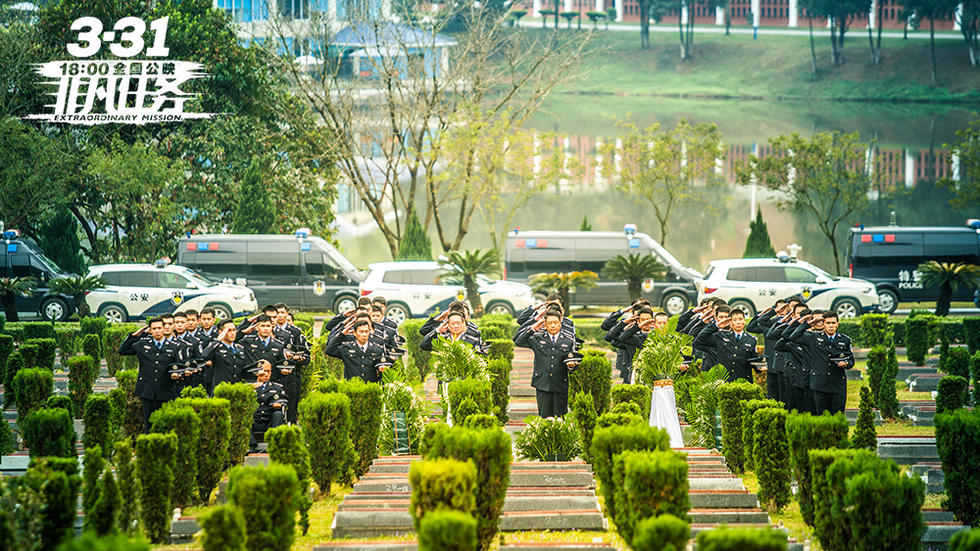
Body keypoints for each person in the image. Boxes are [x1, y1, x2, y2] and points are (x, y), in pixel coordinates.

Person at [117, 317, 183, 433]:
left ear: (164, 329)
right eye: (154, 329)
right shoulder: (143, 344)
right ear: (150, 331)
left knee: (166, 425)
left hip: (166, 390)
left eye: (159, 328)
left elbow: (179, 366)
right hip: (148, 391)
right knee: (149, 425)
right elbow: (122, 351)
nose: (157, 331)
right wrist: (135, 335)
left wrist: (177, 375)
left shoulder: (174, 346)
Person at [513, 307, 579, 418]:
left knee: (560, 419)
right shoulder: (537, 338)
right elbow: (518, 341)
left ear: (560, 323)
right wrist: (534, 326)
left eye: (555, 322)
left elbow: (573, 361)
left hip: (560, 384)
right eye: (549, 323)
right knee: (544, 418)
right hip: (542, 383)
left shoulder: (569, 340)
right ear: (545, 324)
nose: (553, 325)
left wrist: (572, 367)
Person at [787, 312, 855, 415]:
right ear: (823, 324)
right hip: (820, 383)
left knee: (838, 416)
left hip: (837, 384)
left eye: (833, 323)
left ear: (838, 324)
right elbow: (793, 336)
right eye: (828, 323)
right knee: (821, 416)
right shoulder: (813, 338)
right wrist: (808, 323)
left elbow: (851, 360)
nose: (831, 326)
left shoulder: (844, 340)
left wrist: (846, 364)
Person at [693, 308, 759, 383]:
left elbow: (753, 360)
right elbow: (701, 338)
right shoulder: (721, 336)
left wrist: (760, 367)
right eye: (734, 320)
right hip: (724, 381)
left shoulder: (751, 340)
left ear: (744, 321)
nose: (738, 322)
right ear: (730, 322)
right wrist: (716, 326)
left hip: (743, 382)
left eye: (740, 319)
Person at [745, 299, 789, 401]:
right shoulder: (769, 323)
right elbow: (750, 327)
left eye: (784, 308)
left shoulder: (790, 325)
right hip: (771, 361)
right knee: (772, 392)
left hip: (785, 363)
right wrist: (765, 313)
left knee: (784, 394)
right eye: (779, 308)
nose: (782, 310)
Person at [324, 319, 389, 382]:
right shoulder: (347, 348)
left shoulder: (377, 349)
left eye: (366, 332)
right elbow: (329, 350)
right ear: (354, 333)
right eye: (361, 332)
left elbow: (381, 372)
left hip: (370, 387)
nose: (364, 334)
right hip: (352, 387)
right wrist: (342, 334)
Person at [238, 314, 290, 383]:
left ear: (272, 327)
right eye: (262, 326)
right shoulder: (247, 341)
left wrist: (283, 372)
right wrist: (243, 331)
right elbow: (232, 340)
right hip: (251, 382)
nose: (265, 329)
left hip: (270, 384)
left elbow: (281, 366)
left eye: (268, 326)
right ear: (257, 327)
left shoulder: (279, 345)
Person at [201, 319, 248, 391]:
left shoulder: (239, 348)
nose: (232, 333)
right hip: (220, 390)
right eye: (229, 330)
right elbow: (204, 355)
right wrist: (218, 340)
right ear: (221, 332)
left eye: (234, 330)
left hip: (236, 390)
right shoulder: (216, 347)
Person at [250, 360, 287, 452]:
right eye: (263, 371)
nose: (266, 374)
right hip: (253, 420)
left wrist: (278, 405)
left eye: (268, 371)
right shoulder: (249, 387)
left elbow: (282, 403)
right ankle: (251, 445)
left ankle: (273, 445)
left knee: (278, 414)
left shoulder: (277, 388)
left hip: (269, 422)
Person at [420, 310, 489, 354]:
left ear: (463, 324)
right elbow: (424, 345)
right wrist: (437, 330)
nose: (456, 326)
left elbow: (480, 357)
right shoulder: (443, 340)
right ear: (448, 325)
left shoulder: (472, 340)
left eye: (458, 323)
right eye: (453, 323)